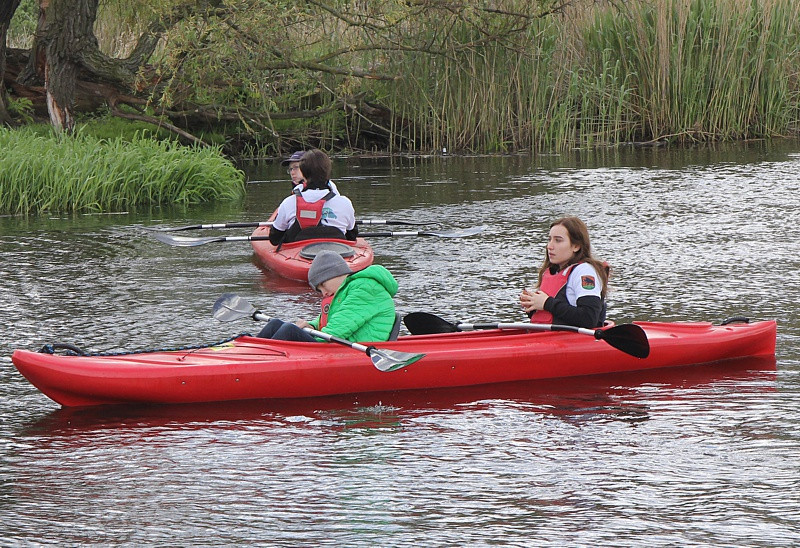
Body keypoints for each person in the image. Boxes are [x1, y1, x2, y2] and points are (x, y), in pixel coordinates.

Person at [257, 250, 398, 342]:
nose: (324, 293)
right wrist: (311, 326)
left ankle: (259, 364)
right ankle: (246, 352)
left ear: (334, 273)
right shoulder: (345, 291)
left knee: (289, 330)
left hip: (353, 353)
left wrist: (307, 334)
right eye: (319, 290)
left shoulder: (366, 288)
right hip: (341, 347)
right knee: (275, 324)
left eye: (323, 285)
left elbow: (337, 330)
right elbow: (327, 321)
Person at [519, 216, 608, 328]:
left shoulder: (584, 272)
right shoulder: (553, 272)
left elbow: (589, 318)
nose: (549, 246)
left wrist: (547, 303)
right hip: (546, 339)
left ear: (576, 246)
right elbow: (555, 315)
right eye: (549, 239)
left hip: (571, 342)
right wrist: (533, 306)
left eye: (558, 240)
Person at [268, 149, 356, 245]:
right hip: (337, 251)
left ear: (303, 173)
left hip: (298, 252)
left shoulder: (289, 203)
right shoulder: (345, 203)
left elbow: (274, 238)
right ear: (328, 171)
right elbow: (352, 235)